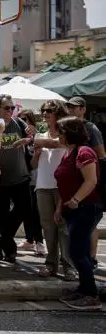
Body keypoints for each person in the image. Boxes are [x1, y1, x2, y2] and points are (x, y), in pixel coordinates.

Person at [54, 117, 103, 310]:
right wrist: (60, 207)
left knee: (77, 252)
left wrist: (75, 200)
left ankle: (91, 295)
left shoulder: (84, 152)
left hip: (85, 208)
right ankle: (84, 288)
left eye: (61, 131)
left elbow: (91, 181)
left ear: (69, 133)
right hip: (72, 210)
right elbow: (64, 183)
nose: (58, 135)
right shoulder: (70, 153)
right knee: (76, 251)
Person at [32, 100, 77, 280]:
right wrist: (36, 153)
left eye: (49, 110)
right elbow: (33, 165)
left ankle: (69, 266)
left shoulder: (65, 136)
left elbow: (59, 144)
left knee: (63, 228)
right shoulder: (42, 135)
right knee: (48, 228)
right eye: (43, 110)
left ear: (58, 112)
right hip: (42, 185)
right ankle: (51, 264)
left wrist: (36, 140)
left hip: (62, 187)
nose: (45, 113)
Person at [0, 94, 35, 263]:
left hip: (20, 176)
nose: (10, 111)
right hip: (0, 179)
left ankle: (3, 238)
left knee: (24, 210)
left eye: (12, 108)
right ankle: (8, 249)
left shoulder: (19, 123)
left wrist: (28, 138)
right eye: (7, 108)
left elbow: (31, 136)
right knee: (0, 215)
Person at [65, 96, 105, 270]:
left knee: (88, 230)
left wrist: (76, 199)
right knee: (77, 244)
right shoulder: (70, 133)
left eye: (75, 107)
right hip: (76, 193)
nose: (71, 110)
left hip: (88, 193)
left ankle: (92, 260)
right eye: (69, 107)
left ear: (83, 109)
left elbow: (102, 155)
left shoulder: (90, 130)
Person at [17, 109, 46, 256]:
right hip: (24, 179)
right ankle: (30, 240)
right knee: (26, 211)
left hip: (37, 179)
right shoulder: (18, 136)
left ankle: (39, 241)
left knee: (35, 212)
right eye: (21, 119)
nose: (23, 123)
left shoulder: (39, 137)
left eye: (26, 119)